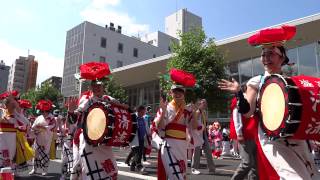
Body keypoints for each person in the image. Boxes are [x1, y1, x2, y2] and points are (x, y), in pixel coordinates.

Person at [218, 25, 320, 180]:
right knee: (292, 177)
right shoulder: (256, 81)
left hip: (295, 136)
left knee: (310, 175)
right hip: (271, 138)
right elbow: (248, 111)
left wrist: (311, 136)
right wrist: (239, 93)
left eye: (271, 54)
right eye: (263, 54)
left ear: (282, 58)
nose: (266, 58)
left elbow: (304, 111)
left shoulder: (291, 81)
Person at [67, 61, 128, 180]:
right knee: (86, 168)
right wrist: (71, 112)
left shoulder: (108, 99)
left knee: (110, 168)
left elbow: (121, 110)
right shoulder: (87, 101)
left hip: (104, 139)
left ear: (103, 87)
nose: (96, 88)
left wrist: (123, 106)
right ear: (90, 88)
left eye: (99, 86)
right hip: (88, 139)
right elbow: (73, 118)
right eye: (94, 86)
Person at [155, 68, 199, 180]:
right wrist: (163, 111)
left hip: (182, 146)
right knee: (175, 175)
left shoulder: (187, 110)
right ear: (171, 93)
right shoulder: (166, 107)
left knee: (181, 174)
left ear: (184, 93)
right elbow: (159, 127)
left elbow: (194, 127)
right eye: (175, 91)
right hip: (168, 145)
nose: (177, 94)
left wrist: (194, 113)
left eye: (180, 91)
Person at [0, 92, 34, 175]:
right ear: (5, 104)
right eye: (9, 103)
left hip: (12, 138)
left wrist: (16, 109)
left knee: (10, 158)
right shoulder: (1, 111)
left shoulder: (16, 114)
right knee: (2, 157)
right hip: (1, 137)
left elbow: (26, 123)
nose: (12, 106)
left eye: (13, 104)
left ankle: (8, 174)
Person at [229, 86, 258, 180]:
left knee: (255, 164)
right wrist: (239, 133)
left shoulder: (253, 99)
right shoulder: (239, 99)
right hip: (244, 134)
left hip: (253, 134)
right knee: (247, 163)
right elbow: (236, 116)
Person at [29, 100, 56, 176]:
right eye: (42, 111)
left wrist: (43, 127)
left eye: (45, 111)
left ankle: (45, 170)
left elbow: (52, 126)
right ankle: (34, 169)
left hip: (47, 139)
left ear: (48, 110)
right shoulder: (39, 117)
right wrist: (35, 130)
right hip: (38, 138)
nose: (44, 113)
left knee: (45, 155)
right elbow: (33, 126)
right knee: (35, 155)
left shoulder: (51, 117)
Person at [191, 99, 215, 175]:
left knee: (208, 150)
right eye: (203, 103)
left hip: (204, 133)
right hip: (198, 133)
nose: (205, 104)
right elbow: (194, 123)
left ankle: (211, 168)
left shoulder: (204, 112)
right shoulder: (197, 112)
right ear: (199, 104)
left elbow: (205, 123)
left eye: (206, 103)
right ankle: (194, 168)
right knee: (197, 150)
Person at [128, 105, 148, 173]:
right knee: (137, 154)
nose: (143, 114)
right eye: (142, 112)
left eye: (144, 112)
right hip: (134, 138)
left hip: (142, 138)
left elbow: (146, 128)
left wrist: (149, 135)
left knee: (140, 152)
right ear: (138, 111)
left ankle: (132, 166)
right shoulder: (133, 117)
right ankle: (139, 167)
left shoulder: (143, 118)